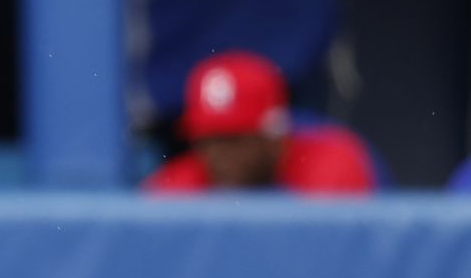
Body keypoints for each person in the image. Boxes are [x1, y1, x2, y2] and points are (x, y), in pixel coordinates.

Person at [143, 50, 378, 194]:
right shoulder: (186, 181)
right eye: (207, 140)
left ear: (273, 136)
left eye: (232, 139)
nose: (216, 155)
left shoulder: (330, 163)